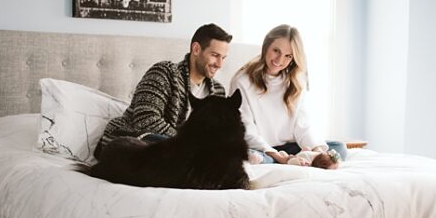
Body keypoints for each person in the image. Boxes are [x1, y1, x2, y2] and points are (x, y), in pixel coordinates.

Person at [96, 24, 232, 154]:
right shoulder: (164, 73)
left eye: (224, 58)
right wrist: (190, 144)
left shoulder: (218, 92)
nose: (219, 64)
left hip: (178, 153)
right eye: (215, 55)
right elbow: (145, 120)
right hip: (135, 142)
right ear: (196, 49)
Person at [228, 25, 345, 164]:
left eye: (288, 56)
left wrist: (317, 150)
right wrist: (278, 156)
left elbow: (303, 125)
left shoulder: (295, 82)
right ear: (266, 47)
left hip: (290, 147)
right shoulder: (242, 81)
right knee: (252, 156)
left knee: (339, 148)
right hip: (261, 148)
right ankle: (287, 160)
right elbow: (245, 129)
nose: (279, 60)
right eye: (276, 51)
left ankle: (301, 158)